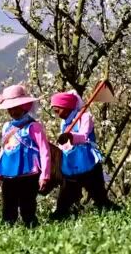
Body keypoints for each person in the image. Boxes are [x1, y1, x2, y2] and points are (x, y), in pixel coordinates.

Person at [49, 91, 120, 220]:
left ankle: (114, 213)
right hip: (71, 164)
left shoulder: (84, 117)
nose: (56, 114)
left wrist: (70, 136)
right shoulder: (64, 123)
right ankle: (60, 215)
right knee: (65, 195)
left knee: (98, 195)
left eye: (57, 110)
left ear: (66, 107)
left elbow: (84, 136)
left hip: (88, 163)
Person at [0, 85, 51, 228]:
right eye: (10, 108)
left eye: (16, 107)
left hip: (28, 173)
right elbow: (4, 150)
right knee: (8, 204)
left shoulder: (33, 127)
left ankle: (31, 227)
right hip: (9, 173)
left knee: (27, 204)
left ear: (24, 106)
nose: (13, 111)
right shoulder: (7, 127)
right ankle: (8, 228)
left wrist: (45, 174)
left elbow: (44, 151)